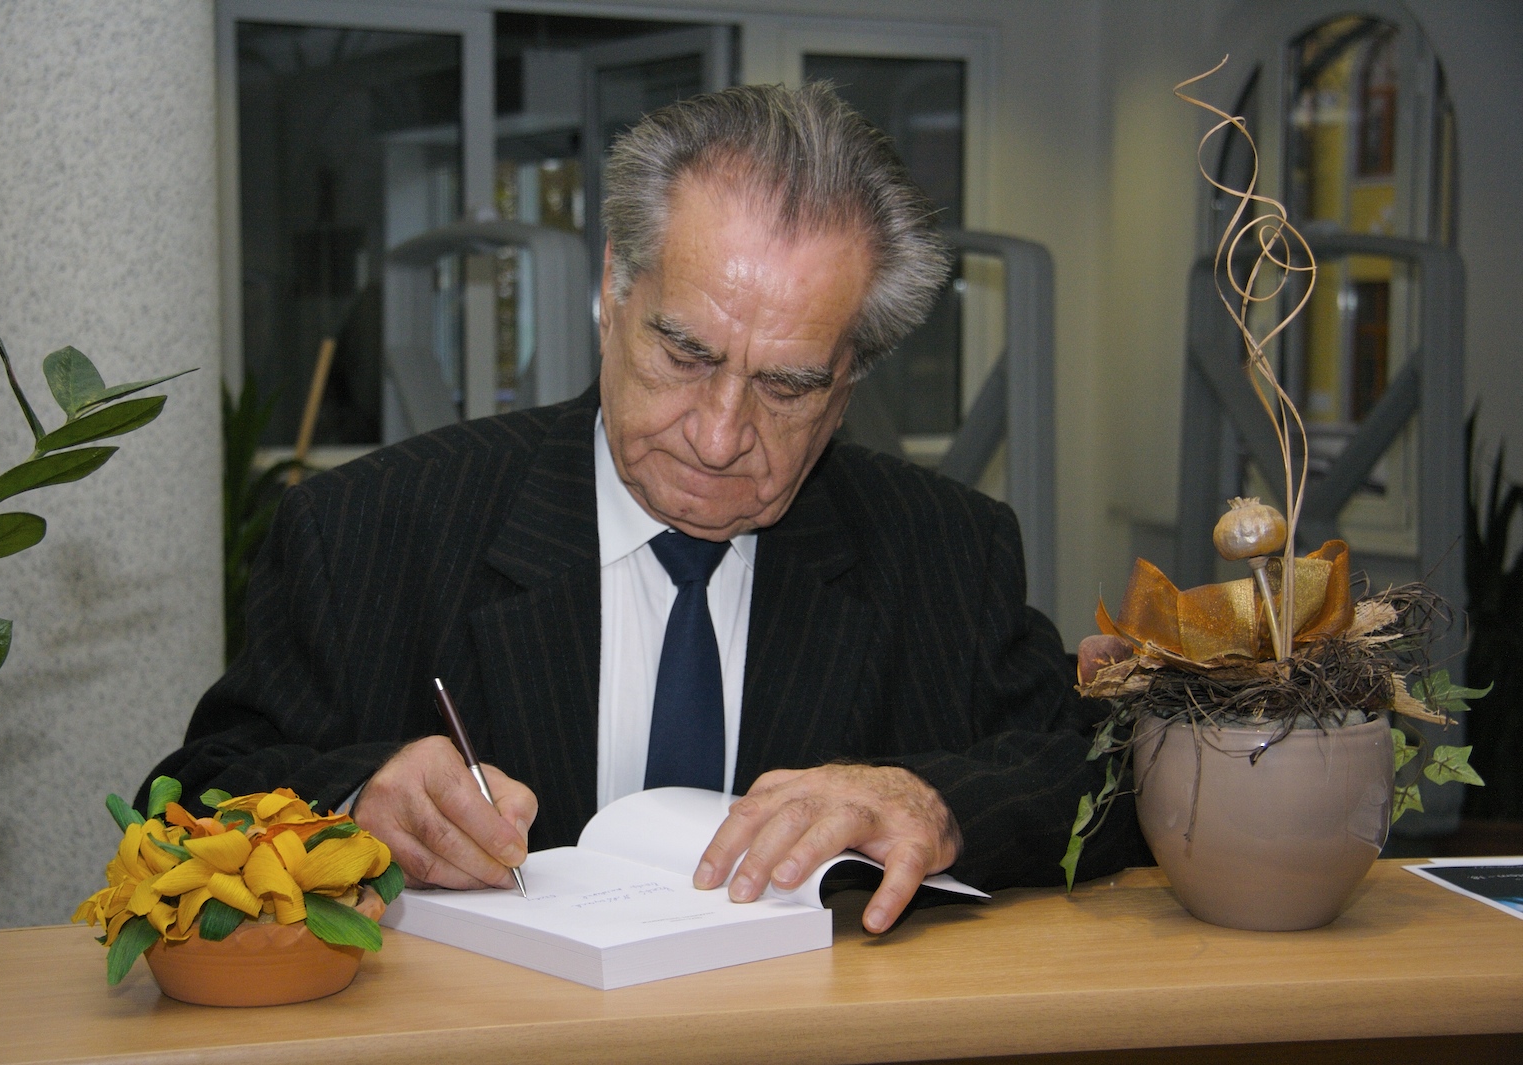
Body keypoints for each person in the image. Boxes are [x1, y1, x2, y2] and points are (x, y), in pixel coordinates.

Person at [143, 83, 1145, 934]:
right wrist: (357, 798)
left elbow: (1109, 782)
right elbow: (189, 796)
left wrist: (936, 805)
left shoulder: (945, 550)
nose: (718, 435)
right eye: (686, 354)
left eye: (787, 386)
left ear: (851, 382)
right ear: (613, 293)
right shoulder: (373, 528)